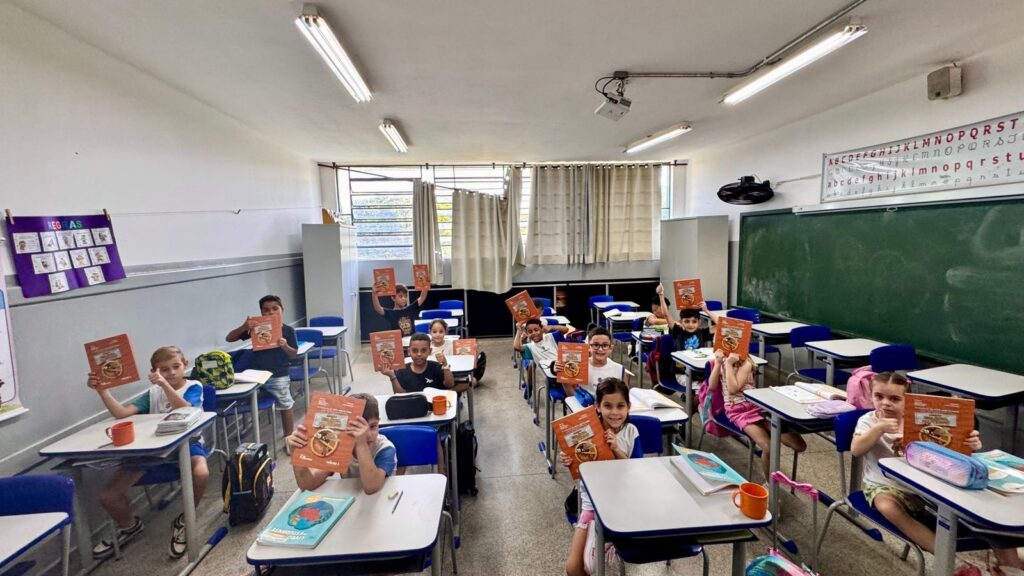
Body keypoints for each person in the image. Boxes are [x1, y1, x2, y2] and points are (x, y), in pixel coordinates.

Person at [852, 372, 1024, 571]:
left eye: (895, 399)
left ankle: (1009, 564)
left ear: (908, 401)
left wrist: (970, 444)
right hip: (885, 485)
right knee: (887, 506)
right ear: (871, 396)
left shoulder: (920, 422)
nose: (885, 403)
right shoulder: (868, 421)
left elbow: (951, 453)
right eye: (878, 396)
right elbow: (857, 449)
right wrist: (878, 429)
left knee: (984, 504)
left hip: (930, 486)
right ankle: (951, 561)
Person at [87, 346, 209, 559]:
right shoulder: (152, 393)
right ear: (155, 371)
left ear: (185, 366)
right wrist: (102, 390)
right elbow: (121, 413)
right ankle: (129, 526)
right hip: (153, 450)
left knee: (201, 473)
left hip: (187, 443)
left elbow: (187, 410)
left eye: (175, 367)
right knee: (108, 495)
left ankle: (186, 517)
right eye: (164, 369)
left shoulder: (194, 386)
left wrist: (164, 385)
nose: (170, 373)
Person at [560, 378, 642, 576]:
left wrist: (616, 449)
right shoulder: (587, 433)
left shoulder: (631, 432)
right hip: (591, 505)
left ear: (629, 407)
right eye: (608, 406)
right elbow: (581, 475)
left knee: (595, 566)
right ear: (597, 407)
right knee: (573, 568)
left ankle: (608, 545)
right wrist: (570, 460)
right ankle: (600, 545)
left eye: (620, 406)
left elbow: (638, 471)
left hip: (621, 505)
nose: (615, 412)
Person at [710, 349, 806, 480]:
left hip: (757, 407)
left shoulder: (746, 363)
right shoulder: (721, 363)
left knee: (799, 445)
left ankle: (773, 430)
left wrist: (729, 364)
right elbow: (713, 386)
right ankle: (770, 484)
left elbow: (734, 388)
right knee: (768, 447)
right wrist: (719, 363)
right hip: (737, 412)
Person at [285, 393, 397, 495]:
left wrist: (361, 444)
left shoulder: (385, 448)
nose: (367, 435)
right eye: (357, 428)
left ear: (379, 422)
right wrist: (296, 453)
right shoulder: (341, 447)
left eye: (373, 426)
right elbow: (308, 484)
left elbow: (371, 487)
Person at [225, 294, 298, 437]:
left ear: (282, 309)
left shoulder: (288, 330)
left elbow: (293, 353)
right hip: (255, 374)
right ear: (261, 312)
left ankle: (289, 436)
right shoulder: (257, 327)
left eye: (275, 309)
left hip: (278, 373)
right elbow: (229, 338)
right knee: (247, 399)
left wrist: (285, 346)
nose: (271, 312)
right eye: (266, 310)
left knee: (285, 402)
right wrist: (244, 327)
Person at [554, 327, 627, 397]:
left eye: (605, 345)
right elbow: (571, 395)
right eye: (595, 345)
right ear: (588, 347)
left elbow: (624, 396)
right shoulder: (579, 365)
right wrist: (562, 375)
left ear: (610, 348)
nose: (600, 349)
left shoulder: (619, 369)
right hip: (585, 407)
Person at [383, 333, 457, 394]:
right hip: (413, 408)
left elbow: (449, 385)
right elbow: (401, 395)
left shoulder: (436, 367)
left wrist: (445, 364)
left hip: (435, 407)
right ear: (409, 351)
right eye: (415, 350)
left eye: (424, 350)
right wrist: (392, 376)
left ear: (430, 351)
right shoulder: (402, 370)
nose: (419, 354)